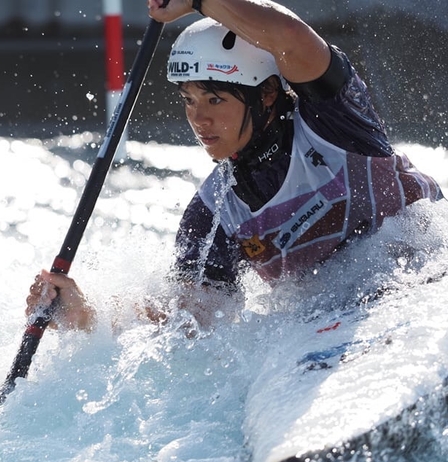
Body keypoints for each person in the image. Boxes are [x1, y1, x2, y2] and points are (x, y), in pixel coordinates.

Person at [26, 0, 444, 332]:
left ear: (265, 95)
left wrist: (198, 0)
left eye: (215, 100)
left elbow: (290, 37)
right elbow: (191, 316)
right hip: (335, 326)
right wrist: (87, 317)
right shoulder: (213, 213)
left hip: (430, 272)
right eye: (189, 100)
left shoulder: (334, 120)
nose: (199, 119)